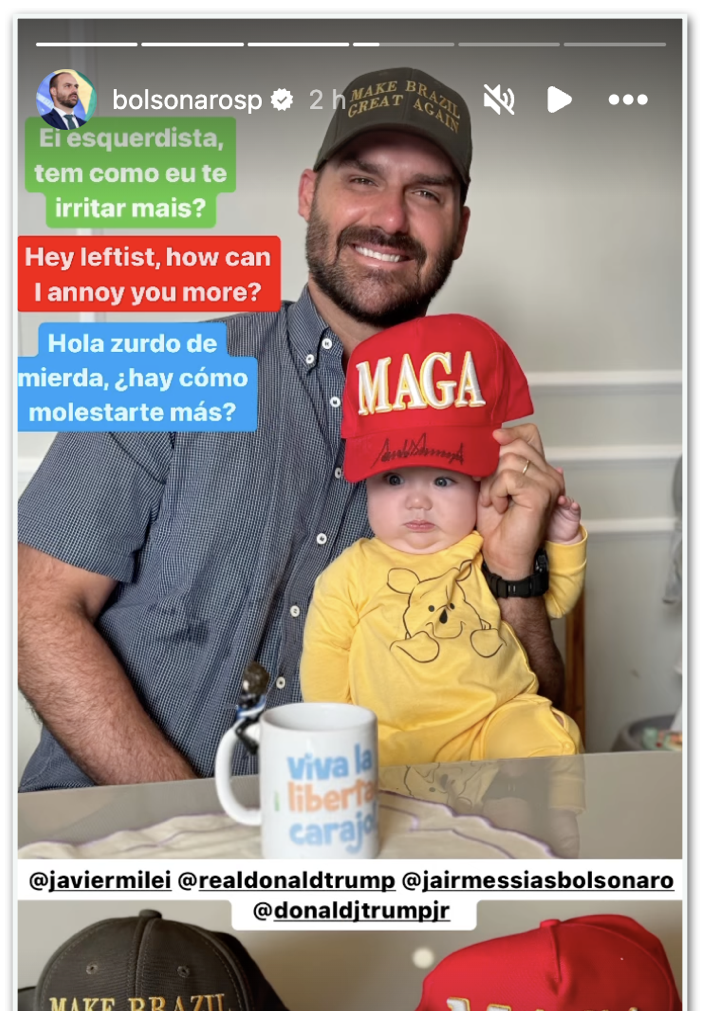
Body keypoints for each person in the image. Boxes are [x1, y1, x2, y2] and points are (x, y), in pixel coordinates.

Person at [18, 65, 566, 791]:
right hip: (111, 831)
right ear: (310, 194)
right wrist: (188, 826)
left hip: (350, 854)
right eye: (363, 180)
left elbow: (536, 707)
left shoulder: (487, 440)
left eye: (426, 193)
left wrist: (517, 577)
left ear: (460, 230)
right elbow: (32, 610)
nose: (393, 219)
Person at [301, 315, 586, 766]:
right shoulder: (351, 573)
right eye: (393, 479)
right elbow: (324, 659)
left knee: (547, 738)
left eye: (442, 480)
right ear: (366, 487)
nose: (417, 502)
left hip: (493, 722)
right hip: (392, 741)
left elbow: (558, 599)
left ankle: (519, 825)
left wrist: (560, 538)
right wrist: (335, 734)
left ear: (480, 483)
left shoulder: (481, 550)